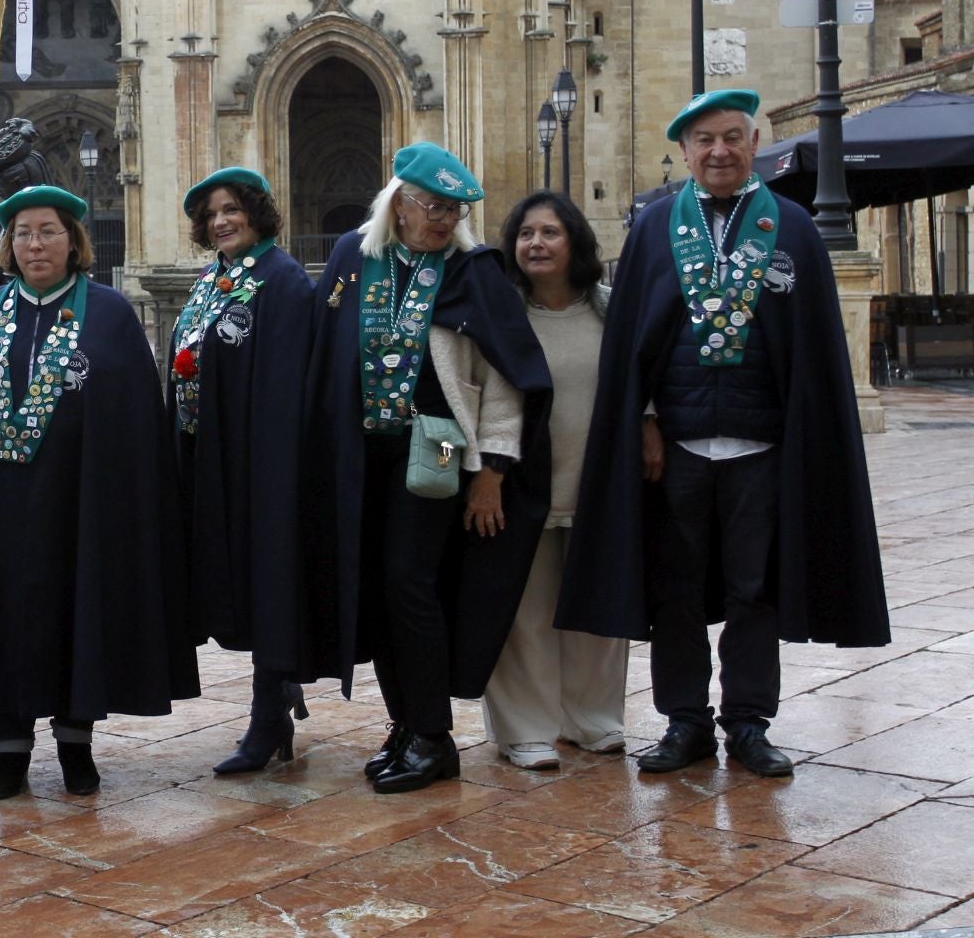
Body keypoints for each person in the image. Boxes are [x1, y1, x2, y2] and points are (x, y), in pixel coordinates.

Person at [559, 89, 888, 777]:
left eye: (732, 137)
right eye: (705, 140)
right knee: (676, 589)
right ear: (685, 150)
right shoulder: (653, 228)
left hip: (762, 445)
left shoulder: (793, 228)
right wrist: (645, 422)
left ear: (753, 141)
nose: (718, 151)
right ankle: (685, 722)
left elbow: (816, 349)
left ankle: (747, 721)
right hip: (674, 448)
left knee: (753, 590)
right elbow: (634, 344)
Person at [0, 185, 199, 798]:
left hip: (80, 501)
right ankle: (9, 748)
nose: (34, 243)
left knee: (79, 609)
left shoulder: (110, 312)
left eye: (47, 231)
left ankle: (76, 741)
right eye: (21, 233)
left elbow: (133, 417)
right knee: (1, 616)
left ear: (74, 242)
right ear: (7, 246)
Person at [306, 143, 550, 794]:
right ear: (399, 204)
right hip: (364, 451)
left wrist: (492, 470)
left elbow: (507, 381)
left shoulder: (474, 273)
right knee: (376, 587)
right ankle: (406, 727)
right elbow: (323, 355)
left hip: (438, 443)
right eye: (430, 206)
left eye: (453, 209)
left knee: (410, 579)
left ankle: (435, 738)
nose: (442, 219)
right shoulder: (354, 261)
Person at [165, 168, 321, 774]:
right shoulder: (214, 278)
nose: (220, 221)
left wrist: (270, 460)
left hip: (261, 461)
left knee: (269, 581)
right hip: (211, 454)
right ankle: (276, 696)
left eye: (230, 209)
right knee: (233, 578)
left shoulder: (281, 281)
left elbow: (286, 380)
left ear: (255, 211)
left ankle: (268, 715)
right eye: (210, 215)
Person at [480, 191, 627, 768]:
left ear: (575, 243)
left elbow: (636, 385)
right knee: (524, 612)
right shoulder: (501, 316)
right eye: (525, 234)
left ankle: (593, 721)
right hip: (522, 487)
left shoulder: (610, 311)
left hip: (596, 485)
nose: (536, 244)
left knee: (597, 610)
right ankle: (526, 730)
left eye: (550, 233)